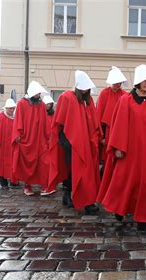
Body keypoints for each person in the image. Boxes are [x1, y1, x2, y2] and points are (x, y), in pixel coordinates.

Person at [98, 64, 146, 230]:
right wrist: (118, 146)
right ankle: (120, 208)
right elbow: (119, 123)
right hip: (130, 149)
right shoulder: (126, 100)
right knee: (125, 180)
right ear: (138, 82)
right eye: (144, 80)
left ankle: (144, 217)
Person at [53, 70, 101, 214]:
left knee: (86, 171)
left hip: (86, 142)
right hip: (71, 142)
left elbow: (93, 119)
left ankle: (85, 199)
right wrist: (65, 141)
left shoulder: (88, 100)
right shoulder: (67, 97)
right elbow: (59, 121)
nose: (86, 90)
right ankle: (71, 195)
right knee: (73, 170)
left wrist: (95, 136)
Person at [12, 81, 51, 196]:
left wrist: (48, 136)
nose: (39, 95)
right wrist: (18, 134)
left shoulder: (42, 105)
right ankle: (27, 186)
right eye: (38, 93)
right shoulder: (21, 104)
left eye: (39, 93)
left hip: (40, 139)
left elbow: (45, 122)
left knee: (44, 163)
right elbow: (18, 119)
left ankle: (44, 186)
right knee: (26, 164)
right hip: (27, 139)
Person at [96, 66, 128, 165]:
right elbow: (98, 116)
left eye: (120, 82)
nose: (118, 85)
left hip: (120, 131)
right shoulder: (104, 94)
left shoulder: (124, 94)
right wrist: (101, 137)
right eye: (116, 82)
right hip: (107, 132)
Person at [0, 99, 19, 189]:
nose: (12, 110)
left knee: (13, 163)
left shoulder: (16, 117)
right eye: (10, 108)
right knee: (2, 164)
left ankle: (14, 181)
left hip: (13, 144)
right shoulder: (0, 117)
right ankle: (3, 182)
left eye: (13, 108)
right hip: (3, 145)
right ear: (6, 108)